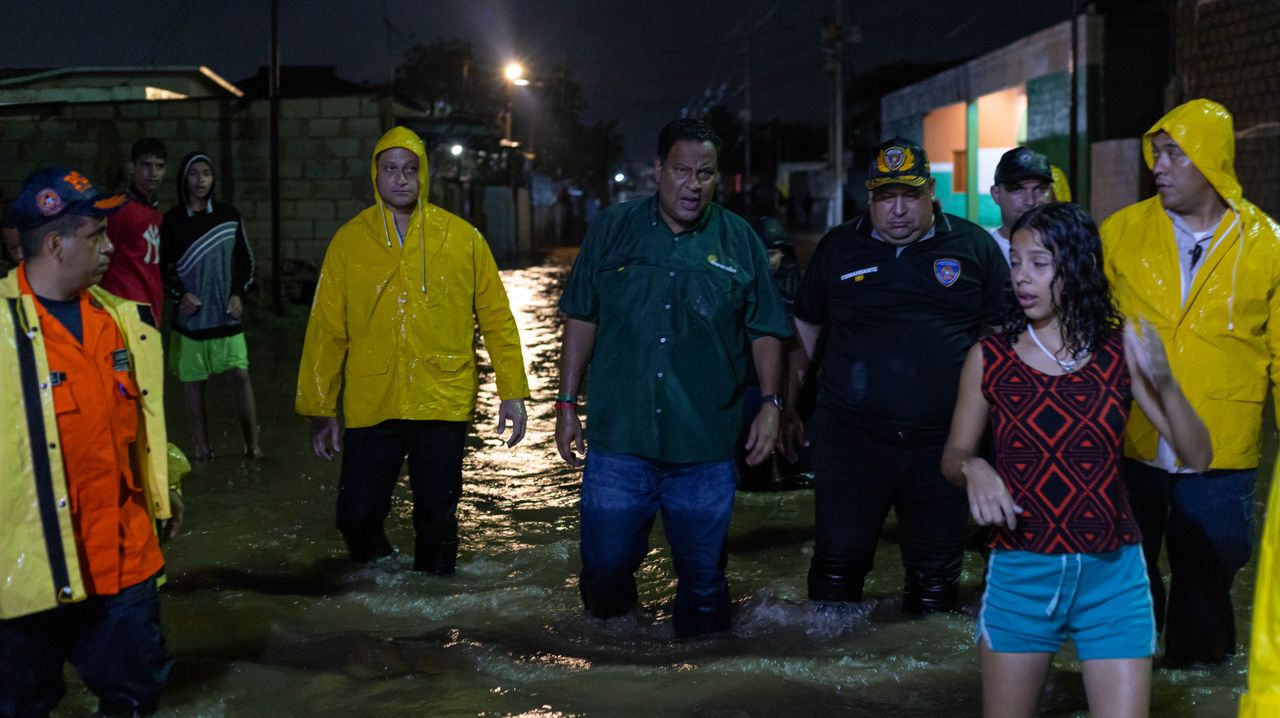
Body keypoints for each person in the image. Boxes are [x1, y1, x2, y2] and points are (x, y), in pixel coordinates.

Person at [942, 201, 1210, 718]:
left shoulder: (1119, 353)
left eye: (1039, 263)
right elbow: (953, 453)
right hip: (1021, 572)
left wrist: (1167, 382)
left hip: (1113, 577)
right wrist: (974, 467)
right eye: (1016, 262)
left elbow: (1198, 457)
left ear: (1081, 266)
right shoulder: (989, 358)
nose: (1022, 276)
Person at [555, 118, 791, 637]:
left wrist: (772, 404)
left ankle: (701, 685)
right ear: (657, 169)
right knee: (606, 566)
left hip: (704, 444)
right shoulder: (612, 230)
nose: (692, 183)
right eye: (681, 170)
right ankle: (610, 668)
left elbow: (766, 328)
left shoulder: (739, 240)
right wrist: (567, 404)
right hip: (620, 439)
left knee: (704, 582)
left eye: (705, 173)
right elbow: (581, 316)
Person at [785, 137, 1010, 614]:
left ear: (931, 191)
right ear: (869, 198)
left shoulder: (973, 247)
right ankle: (827, 682)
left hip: (942, 448)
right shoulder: (839, 247)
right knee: (834, 577)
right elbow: (805, 327)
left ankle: (921, 680)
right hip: (850, 445)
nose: (900, 210)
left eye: (911, 195)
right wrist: (785, 407)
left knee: (935, 585)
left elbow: (1002, 337)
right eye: (886, 197)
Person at [296, 126, 530, 575]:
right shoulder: (350, 241)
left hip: (441, 398)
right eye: (390, 169)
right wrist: (320, 407)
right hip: (372, 399)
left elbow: (497, 318)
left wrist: (512, 392)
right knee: (355, 516)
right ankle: (385, 580)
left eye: (410, 169)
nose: (401, 179)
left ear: (424, 175)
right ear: (375, 174)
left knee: (436, 520)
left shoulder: (462, 238)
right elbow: (327, 328)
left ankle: (434, 615)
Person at [1100, 98, 1280, 669]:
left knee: (1207, 587)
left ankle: (1195, 682)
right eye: (1157, 153)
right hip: (1133, 439)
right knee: (1125, 581)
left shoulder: (1269, 245)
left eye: (1176, 154)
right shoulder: (1121, 233)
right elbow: (1089, 336)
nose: (1160, 165)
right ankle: (1132, 685)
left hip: (1223, 451)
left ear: (1212, 160)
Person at [0, 167, 182, 716]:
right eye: (96, 236)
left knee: (136, 697)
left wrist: (166, 481)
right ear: (55, 243)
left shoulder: (123, 321)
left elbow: (145, 423)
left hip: (123, 562)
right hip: (31, 567)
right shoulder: (2, 331)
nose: (110, 247)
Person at [160, 151, 260, 460]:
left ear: (213, 178)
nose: (201, 180)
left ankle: (253, 447)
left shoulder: (229, 216)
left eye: (206, 173)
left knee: (241, 376)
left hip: (226, 316)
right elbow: (162, 268)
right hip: (191, 321)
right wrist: (180, 296)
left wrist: (237, 293)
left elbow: (245, 260)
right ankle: (203, 451)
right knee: (193, 385)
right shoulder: (173, 222)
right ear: (184, 180)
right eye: (194, 173)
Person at [101, 138, 167, 322]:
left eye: (159, 166)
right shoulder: (119, 209)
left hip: (150, 303)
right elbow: (102, 258)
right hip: (124, 305)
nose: (153, 173)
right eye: (146, 165)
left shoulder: (154, 211)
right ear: (132, 167)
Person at [988, 146, 1055, 263]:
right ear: (996, 194)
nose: (1030, 201)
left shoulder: (1066, 250)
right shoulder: (984, 253)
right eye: (1017, 189)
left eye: (1040, 189)